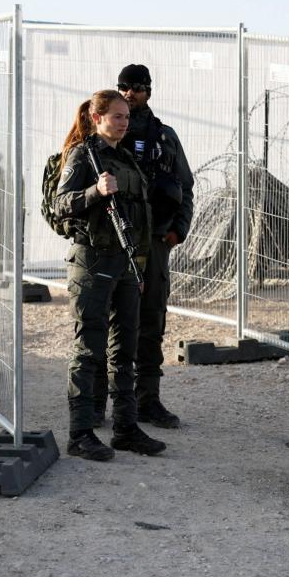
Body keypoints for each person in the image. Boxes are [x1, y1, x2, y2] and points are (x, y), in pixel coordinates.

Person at [54, 90, 166, 460]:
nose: (124, 122)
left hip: (127, 264)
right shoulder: (82, 154)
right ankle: (80, 433)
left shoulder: (125, 158)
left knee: (124, 351)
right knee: (89, 350)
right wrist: (94, 191)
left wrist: (142, 266)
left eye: (126, 117)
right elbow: (61, 203)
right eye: (116, 116)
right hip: (93, 263)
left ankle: (125, 427)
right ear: (97, 117)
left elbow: (140, 216)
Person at [116, 64, 194, 430]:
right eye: (124, 87)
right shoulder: (105, 133)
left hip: (156, 241)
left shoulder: (164, 136)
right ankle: (111, 402)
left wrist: (178, 231)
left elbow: (186, 186)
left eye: (137, 88)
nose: (130, 94)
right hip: (115, 243)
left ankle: (148, 401)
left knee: (151, 322)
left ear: (149, 91)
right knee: (114, 323)